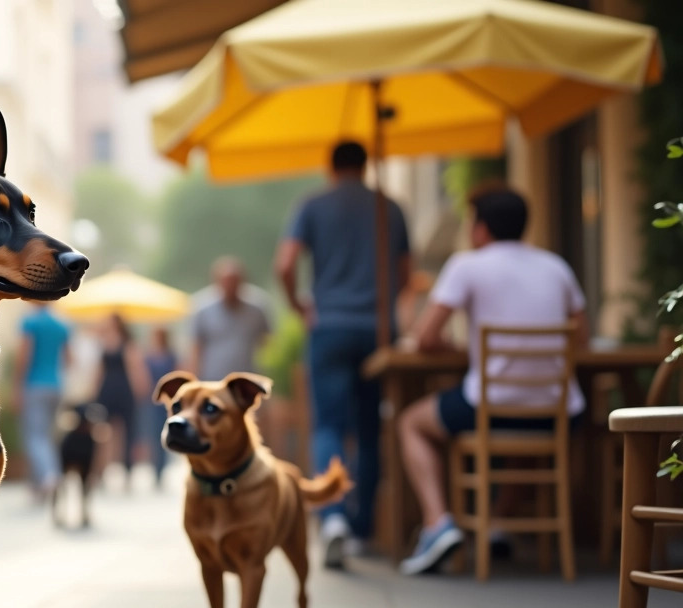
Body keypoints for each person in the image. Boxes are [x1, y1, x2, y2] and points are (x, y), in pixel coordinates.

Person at [396, 187, 587, 575]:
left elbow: (425, 337)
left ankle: (438, 524)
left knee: (411, 423)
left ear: (481, 228)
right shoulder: (556, 266)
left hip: (489, 407)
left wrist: (461, 349)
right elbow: (580, 339)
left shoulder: (467, 265)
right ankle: (498, 525)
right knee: (519, 429)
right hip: (558, 413)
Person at [276, 140, 411, 569]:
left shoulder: (312, 205)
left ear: (331, 167)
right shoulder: (390, 208)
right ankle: (362, 528)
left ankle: (331, 517)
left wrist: (301, 306)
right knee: (370, 428)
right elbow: (406, 274)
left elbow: (285, 264)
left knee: (329, 426)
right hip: (378, 330)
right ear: (365, 164)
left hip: (329, 326)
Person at [13, 301, 71, 499]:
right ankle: (38, 485)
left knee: (34, 437)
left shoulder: (30, 322)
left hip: (34, 385)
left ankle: (50, 477)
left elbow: (24, 357)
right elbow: (69, 359)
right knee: (47, 436)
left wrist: (17, 386)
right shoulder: (62, 324)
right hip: (56, 385)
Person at [189, 257, 271, 382]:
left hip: (247, 380)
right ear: (217, 281)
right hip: (213, 380)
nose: (230, 286)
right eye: (227, 281)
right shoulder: (202, 309)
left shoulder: (257, 309)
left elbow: (267, 344)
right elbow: (196, 348)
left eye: (234, 281)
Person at [94, 314, 150, 490]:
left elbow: (135, 368)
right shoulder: (104, 344)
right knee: (102, 433)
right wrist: (94, 391)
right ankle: (101, 470)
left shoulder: (127, 345)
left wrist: (141, 388)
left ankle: (127, 471)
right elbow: (99, 371)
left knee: (129, 432)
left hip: (124, 391)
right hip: (107, 391)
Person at [144, 327, 178, 488]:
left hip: (167, 402)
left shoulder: (171, 355)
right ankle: (154, 469)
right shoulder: (148, 356)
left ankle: (161, 470)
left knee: (165, 433)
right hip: (152, 401)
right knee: (153, 435)